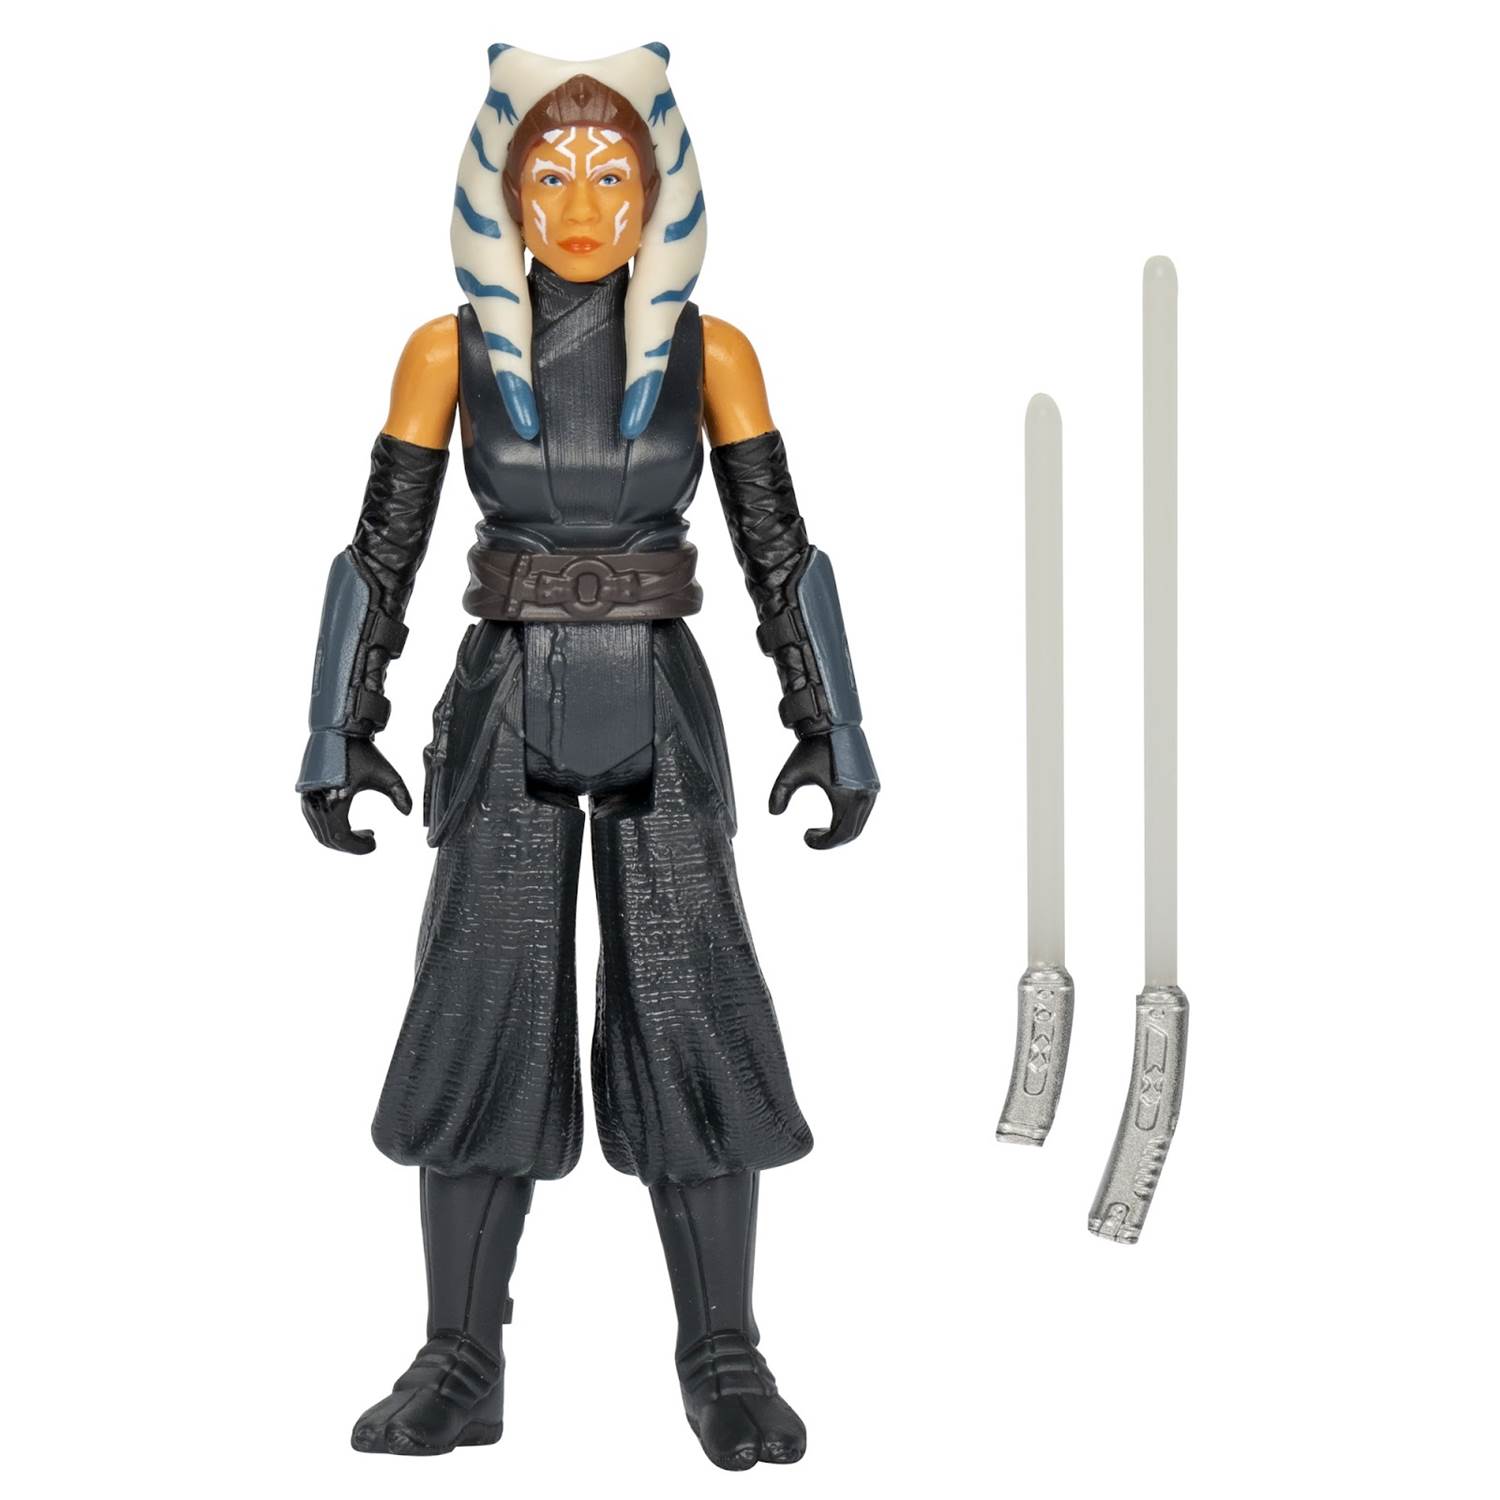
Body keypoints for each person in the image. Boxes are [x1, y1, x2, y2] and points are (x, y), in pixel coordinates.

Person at [296, 43, 878, 1471]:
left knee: (695, 1005)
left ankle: (724, 1352)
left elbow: (779, 549)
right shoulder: (445, 355)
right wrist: (337, 723)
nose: (577, 206)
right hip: (504, 695)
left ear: (657, 194)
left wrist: (832, 719)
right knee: (481, 1009)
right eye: (547, 176)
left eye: (611, 177)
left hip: (659, 703)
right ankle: (459, 1355)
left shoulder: (711, 356)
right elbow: (381, 551)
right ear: (501, 194)